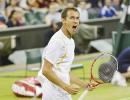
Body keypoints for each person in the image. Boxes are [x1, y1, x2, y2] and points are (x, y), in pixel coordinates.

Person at [38, 7, 94, 100]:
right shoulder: (57, 41)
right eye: (72, 18)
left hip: (63, 92)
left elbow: (64, 71)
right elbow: (46, 70)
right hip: (53, 94)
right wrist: (66, 86)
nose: (75, 21)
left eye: (77, 18)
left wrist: (84, 84)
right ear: (63, 20)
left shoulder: (70, 41)